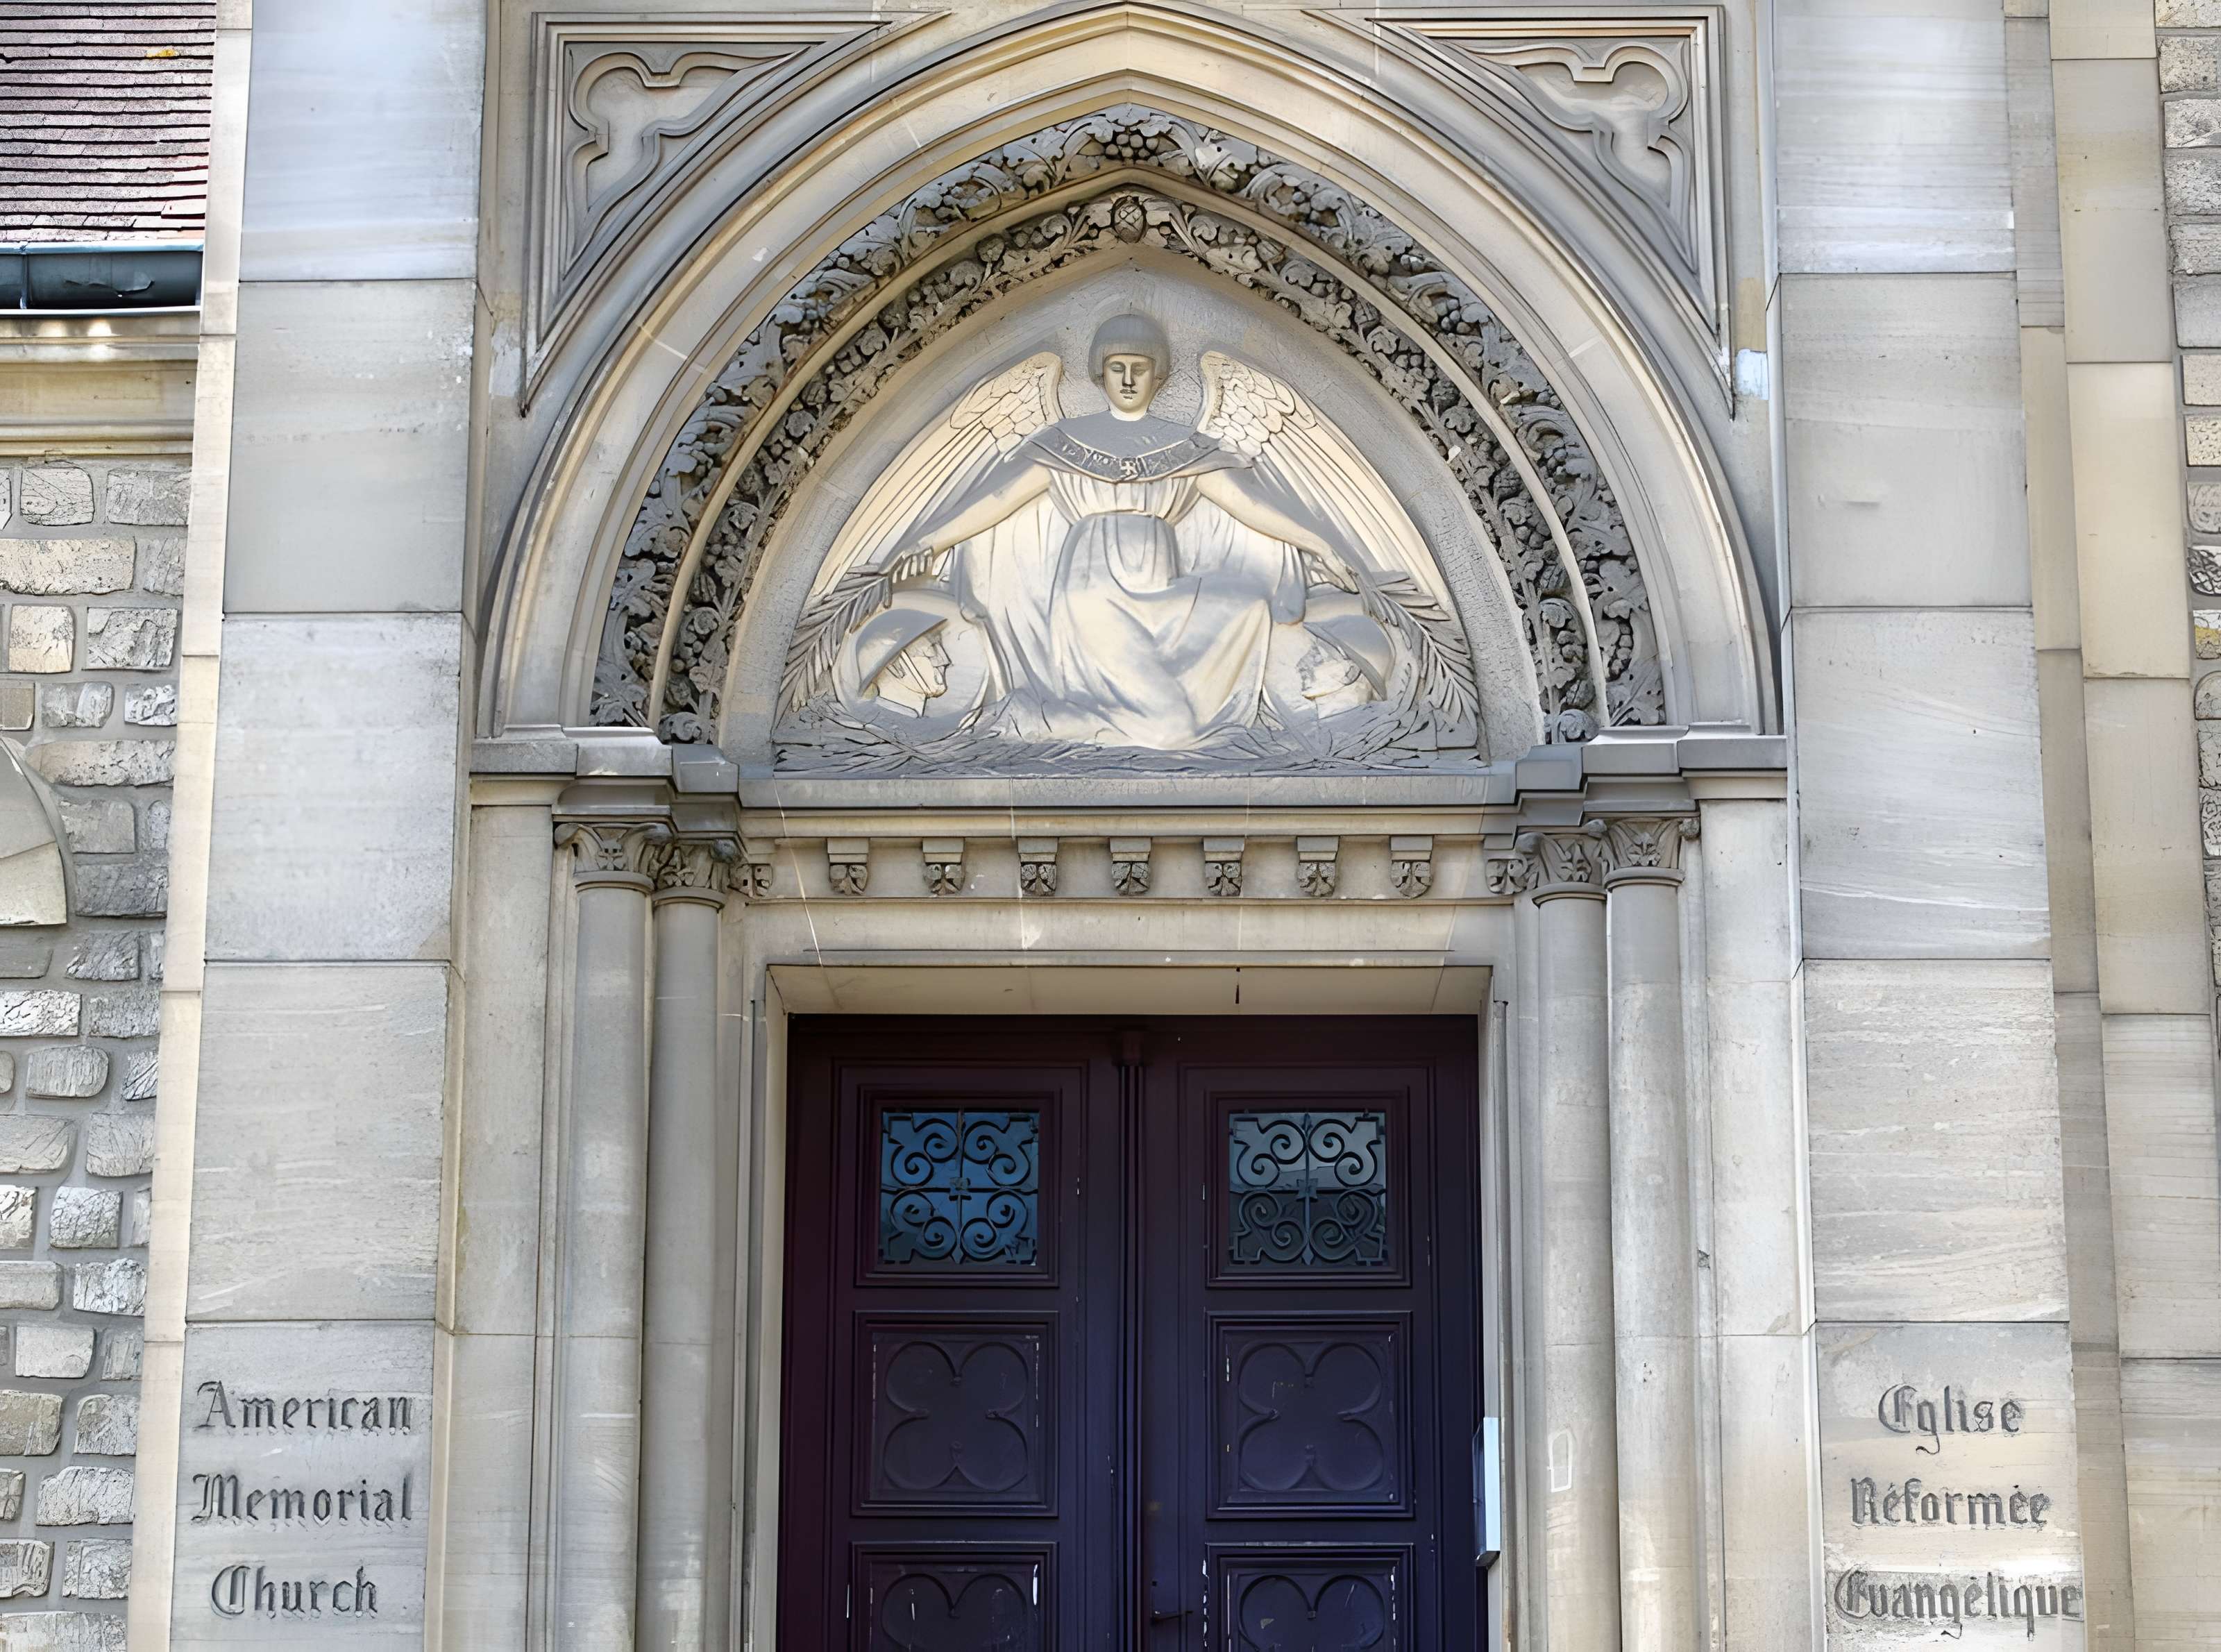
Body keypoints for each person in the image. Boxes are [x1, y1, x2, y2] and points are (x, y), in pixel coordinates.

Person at [900, 314, 1367, 750]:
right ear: (1099, 374)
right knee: (1167, 731)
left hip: (1162, 589)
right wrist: (929, 541)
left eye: (1139, 369)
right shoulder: (1065, 442)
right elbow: (999, 498)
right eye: (1116, 367)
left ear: (1158, 376)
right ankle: (1029, 720)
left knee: (1247, 606)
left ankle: (1078, 722)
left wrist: (1320, 545)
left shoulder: (1184, 446)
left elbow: (1248, 503)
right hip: (1093, 589)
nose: (1127, 380)